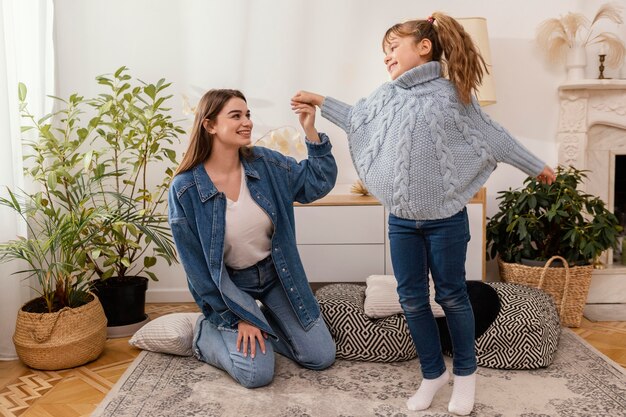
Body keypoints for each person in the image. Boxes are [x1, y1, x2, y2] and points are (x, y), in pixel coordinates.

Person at [291, 12, 556, 415]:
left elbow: (495, 137)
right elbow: (359, 118)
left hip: (446, 220)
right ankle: (433, 373)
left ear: (424, 46)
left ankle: (465, 376)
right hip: (401, 220)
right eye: (384, 52)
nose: (387, 58)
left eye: (392, 48)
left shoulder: (455, 95)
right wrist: (322, 101)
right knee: (411, 298)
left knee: (451, 295)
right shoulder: (387, 94)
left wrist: (537, 165)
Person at [168, 89, 337, 388]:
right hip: (231, 288)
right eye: (236, 116)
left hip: (277, 276)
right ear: (209, 125)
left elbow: (315, 183)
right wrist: (238, 318)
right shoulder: (185, 189)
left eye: (247, 115)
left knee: (320, 356)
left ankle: (264, 324)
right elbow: (196, 269)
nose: (246, 122)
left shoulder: (266, 164)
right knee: (256, 374)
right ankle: (206, 332)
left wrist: (310, 131)